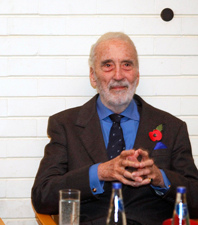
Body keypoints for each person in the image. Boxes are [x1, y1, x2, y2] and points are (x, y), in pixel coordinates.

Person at [31, 32, 198, 225]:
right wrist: (99, 172)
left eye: (126, 64)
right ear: (93, 76)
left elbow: (195, 199)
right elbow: (43, 196)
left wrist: (160, 178)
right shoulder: (65, 125)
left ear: (137, 75)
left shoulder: (172, 127)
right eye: (108, 65)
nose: (118, 75)